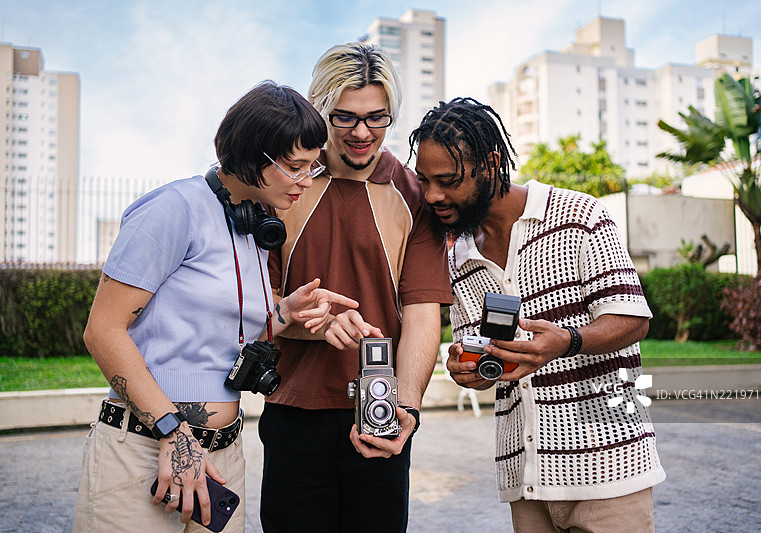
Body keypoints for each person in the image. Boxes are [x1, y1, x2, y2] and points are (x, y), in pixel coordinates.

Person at [73, 81, 360, 533]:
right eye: (295, 167)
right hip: (150, 448)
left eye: (312, 166)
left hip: (221, 455)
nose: (308, 180)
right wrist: (174, 433)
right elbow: (103, 330)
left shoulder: (255, 226)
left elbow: (223, 335)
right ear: (250, 156)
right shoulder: (173, 208)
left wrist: (285, 313)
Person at [410, 98, 666, 533]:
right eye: (424, 181)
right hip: (526, 483)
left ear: (491, 165)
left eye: (448, 181)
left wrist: (567, 341)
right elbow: (487, 360)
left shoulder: (581, 215)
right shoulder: (457, 257)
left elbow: (632, 319)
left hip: (610, 472)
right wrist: (469, 370)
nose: (433, 195)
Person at [261, 42, 452, 532]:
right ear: (319, 109)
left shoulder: (414, 195)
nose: (362, 132)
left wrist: (406, 409)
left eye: (376, 117)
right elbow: (259, 307)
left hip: (381, 414)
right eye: (344, 117)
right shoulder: (284, 186)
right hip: (293, 410)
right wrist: (315, 323)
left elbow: (422, 314)